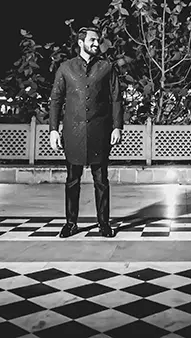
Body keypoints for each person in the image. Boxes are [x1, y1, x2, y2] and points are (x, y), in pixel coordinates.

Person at [49, 27, 123, 238]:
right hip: (73, 132)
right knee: (72, 181)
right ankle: (71, 223)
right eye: (92, 40)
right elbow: (56, 100)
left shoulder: (106, 68)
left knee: (102, 181)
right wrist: (53, 130)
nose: (96, 44)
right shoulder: (66, 68)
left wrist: (117, 126)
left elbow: (116, 98)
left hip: (100, 131)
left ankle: (104, 224)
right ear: (81, 42)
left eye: (98, 40)